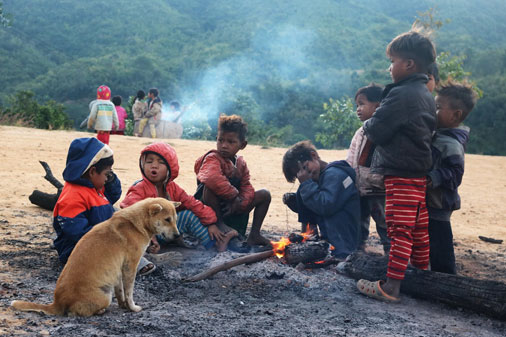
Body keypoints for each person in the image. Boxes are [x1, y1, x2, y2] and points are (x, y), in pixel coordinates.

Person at [356, 30, 437, 302]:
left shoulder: (402, 95)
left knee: (399, 230)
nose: (388, 68)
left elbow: (377, 130)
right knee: (418, 229)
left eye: (392, 61)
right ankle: (423, 277)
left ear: (409, 65)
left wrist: (368, 120)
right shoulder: (424, 93)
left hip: (401, 174)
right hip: (418, 174)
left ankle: (391, 287)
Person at [120, 142, 237, 273]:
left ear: (170, 168)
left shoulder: (172, 187)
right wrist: (150, 237)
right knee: (132, 231)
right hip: (147, 235)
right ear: (142, 165)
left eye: (160, 162)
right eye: (149, 161)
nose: (154, 165)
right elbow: (128, 209)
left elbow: (192, 203)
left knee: (188, 215)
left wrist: (211, 222)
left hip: (167, 231)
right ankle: (148, 256)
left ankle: (215, 244)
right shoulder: (140, 188)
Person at [194, 114, 272, 249]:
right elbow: (212, 178)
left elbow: (246, 186)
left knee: (264, 194)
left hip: (232, 207)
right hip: (212, 208)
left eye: (230, 142)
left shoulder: (241, 163)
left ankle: (254, 234)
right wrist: (233, 196)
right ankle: (219, 224)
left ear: (243, 145)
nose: (224, 145)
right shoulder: (212, 158)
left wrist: (240, 202)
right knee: (209, 187)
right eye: (220, 140)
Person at [427, 81, 477, 274]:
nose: (433, 111)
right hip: (431, 200)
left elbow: (455, 174)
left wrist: (432, 178)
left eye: (438, 108)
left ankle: (447, 277)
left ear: (456, 115)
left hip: (440, 203)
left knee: (440, 242)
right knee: (429, 240)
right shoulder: (439, 135)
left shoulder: (451, 143)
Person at [282, 140, 360, 258]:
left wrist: (306, 185)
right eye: (300, 174)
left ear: (314, 156)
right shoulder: (319, 178)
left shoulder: (335, 175)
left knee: (306, 188)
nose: (305, 175)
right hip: (333, 237)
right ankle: (309, 239)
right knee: (301, 192)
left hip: (345, 242)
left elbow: (325, 205)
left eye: (305, 167)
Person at [52, 137, 121, 264]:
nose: (108, 178)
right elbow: (78, 233)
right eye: (107, 174)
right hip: (76, 251)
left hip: (100, 240)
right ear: (92, 171)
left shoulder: (95, 186)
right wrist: (110, 239)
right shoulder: (72, 196)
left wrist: (111, 179)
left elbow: (114, 195)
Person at [346, 83, 390, 254]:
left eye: (362, 104)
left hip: (377, 189)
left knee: (384, 223)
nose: (358, 109)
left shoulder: (384, 131)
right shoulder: (360, 132)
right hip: (360, 188)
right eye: (357, 105)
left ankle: (391, 255)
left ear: (378, 106)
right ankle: (358, 251)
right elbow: (351, 158)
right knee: (359, 221)